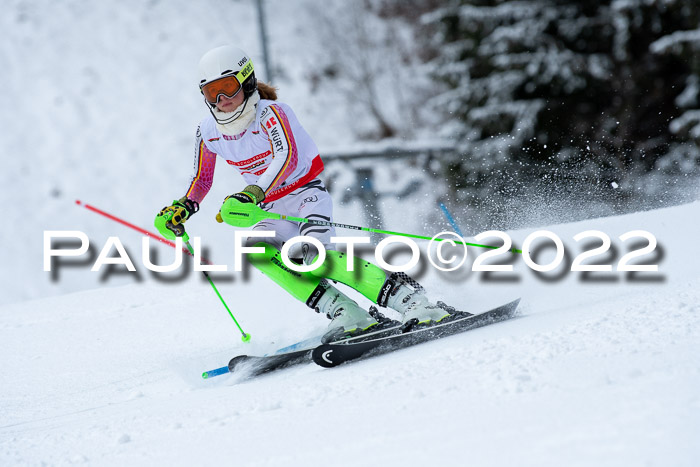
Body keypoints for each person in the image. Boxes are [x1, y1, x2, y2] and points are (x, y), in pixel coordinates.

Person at [155, 45, 450, 342]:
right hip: (270, 208)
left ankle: (414, 303)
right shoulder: (208, 131)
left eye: (228, 88)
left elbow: (287, 157)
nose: (222, 100)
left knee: (313, 258)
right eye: (211, 92)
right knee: (257, 252)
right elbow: (202, 179)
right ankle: (346, 312)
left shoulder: (271, 113)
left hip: (305, 195)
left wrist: (251, 192)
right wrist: (184, 207)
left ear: (246, 81)